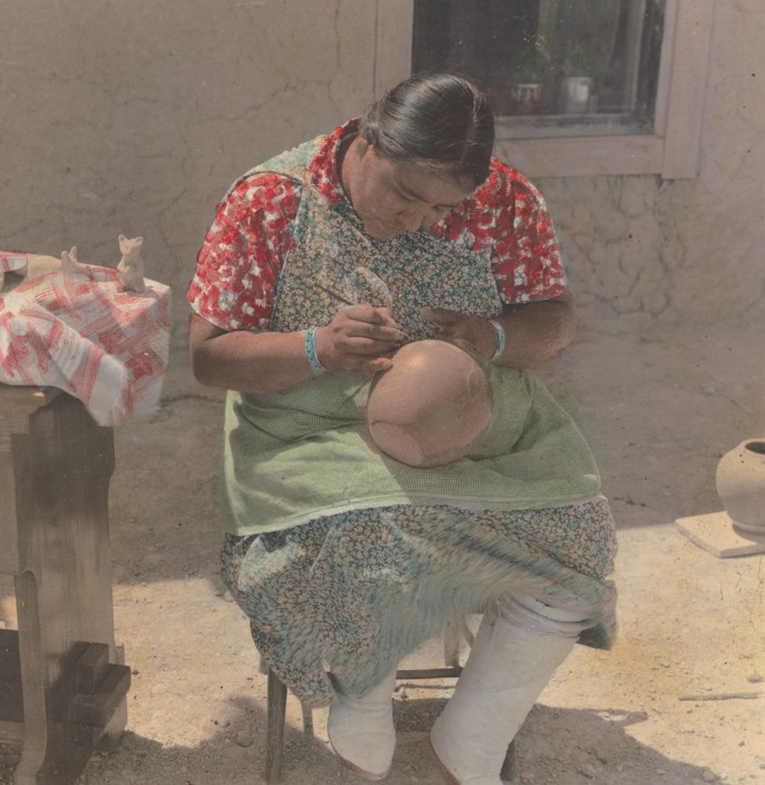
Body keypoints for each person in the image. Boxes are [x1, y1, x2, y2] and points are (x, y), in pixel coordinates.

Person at [187, 72, 617, 784]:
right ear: (366, 140)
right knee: (369, 537)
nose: (418, 221)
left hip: (477, 423)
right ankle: (364, 701)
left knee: (576, 537)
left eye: (443, 208)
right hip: (312, 429)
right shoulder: (269, 201)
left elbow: (555, 319)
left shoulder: (508, 201)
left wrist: (493, 336)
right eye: (406, 195)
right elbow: (208, 357)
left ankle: (473, 737)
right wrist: (317, 348)